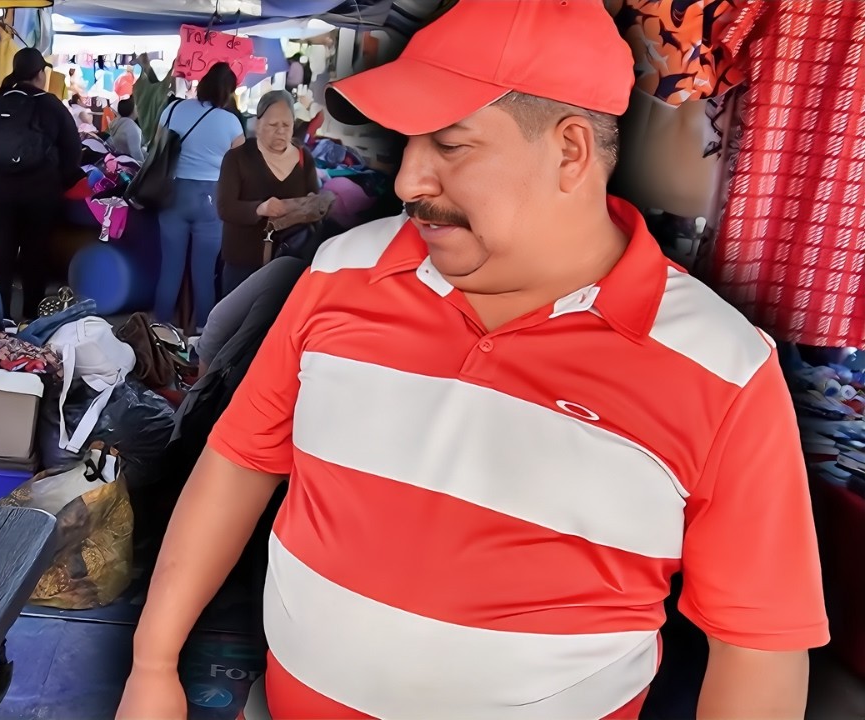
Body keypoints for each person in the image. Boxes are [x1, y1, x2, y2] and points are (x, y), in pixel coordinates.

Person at [116, 1, 829, 719]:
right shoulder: (342, 270)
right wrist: (152, 664)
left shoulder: (723, 368)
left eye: (451, 145)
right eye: (410, 142)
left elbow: (758, 646)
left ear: (571, 153)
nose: (407, 181)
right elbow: (241, 460)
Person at [0, 47, 83, 320]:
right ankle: (31, 318)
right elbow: (73, 149)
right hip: (40, 189)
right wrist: (61, 180)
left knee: (0, 252)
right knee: (35, 253)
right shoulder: (50, 104)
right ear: (40, 74)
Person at [152, 62, 245, 331]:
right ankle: (202, 335)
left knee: (170, 268)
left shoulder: (173, 108)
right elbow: (238, 165)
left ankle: (160, 331)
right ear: (228, 91)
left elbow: (158, 147)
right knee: (203, 274)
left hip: (172, 194)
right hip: (211, 199)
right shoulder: (230, 122)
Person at [216, 91, 323, 296]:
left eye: (287, 125)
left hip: (288, 261)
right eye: (273, 125)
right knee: (236, 322)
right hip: (243, 260)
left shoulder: (303, 158)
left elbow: (313, 199)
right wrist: (259, 208)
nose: (281, 132)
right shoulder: (237, 158)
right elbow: (225, 207)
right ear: (258, 124)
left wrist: (311, 205)